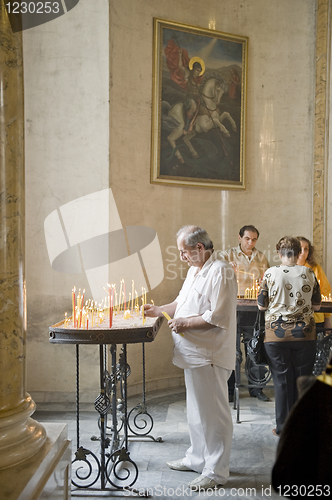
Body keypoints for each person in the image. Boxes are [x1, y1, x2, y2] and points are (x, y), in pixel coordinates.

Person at [144, 225, 237, 490]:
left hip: (210, 354)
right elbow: (181, 302)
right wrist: (161, 309)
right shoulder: (196, 269)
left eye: (184, 252)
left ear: (199, 248)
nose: (181, 257)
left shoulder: (221, 271)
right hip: (192, 354)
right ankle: (197, 458)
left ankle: (216, 472)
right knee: (196, 411)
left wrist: (185, 323)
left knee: (214, 416)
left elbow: (218, 317)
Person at [257, 236, 321, 437]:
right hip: (305, 335)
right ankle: (301, 426)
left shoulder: (270, 273)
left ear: (279, 253)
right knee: (302, 380)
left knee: (282, 381)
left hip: (277, 336)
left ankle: (284, 427)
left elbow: (261, 305)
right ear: (299, 252)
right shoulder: (309, 272)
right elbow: (317, 305)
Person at [219, 225, 270, 402]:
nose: (251, 242)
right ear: (239, 237)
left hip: (253, 309)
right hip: (232, 307)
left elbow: (266, 281)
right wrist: (227, 269)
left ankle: (257, 388)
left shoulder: (261, 257)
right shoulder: (226, 255)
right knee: (231, 351)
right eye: (247, 238)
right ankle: (230, 389)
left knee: (254, 348)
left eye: (254, 239)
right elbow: (216, 276)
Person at [297, 236, 332, 332]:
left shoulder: (316, 269)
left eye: (306, 249)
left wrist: (328, 318)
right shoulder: (286, 268)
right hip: (294, 319)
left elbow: (325, 292)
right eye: (300, 248)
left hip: (316, 317)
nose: (303, 252)